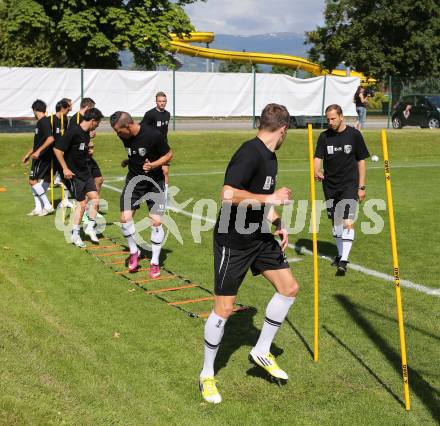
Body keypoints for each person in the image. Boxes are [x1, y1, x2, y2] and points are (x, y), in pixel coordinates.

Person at [199, 103, 300, 404]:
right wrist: (271, 197)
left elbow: (259, 201)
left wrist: (277, 221)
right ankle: (206, 375)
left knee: (289, 288)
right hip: (233, 241)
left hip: (258, 236)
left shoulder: (271, 157)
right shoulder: (250, 152)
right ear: (283, 129)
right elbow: (228, 194)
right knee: (225, 309)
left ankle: (261, 350)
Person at [110, 111, 172, 278]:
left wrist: (154, 165)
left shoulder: (153, 135)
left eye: (118, 131)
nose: (117, 134)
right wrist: (129, 161)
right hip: (134, 182)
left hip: (154, 182)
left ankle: (155, 262)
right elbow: (136, 152)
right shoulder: (125, 136)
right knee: (124, 218)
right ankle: (134, 252)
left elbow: (168, 154)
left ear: (128, 126)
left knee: (156, 221)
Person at [314, 104, 370, 274]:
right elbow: (318, 157)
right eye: (328, 119)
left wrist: (361, 187)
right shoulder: (324, 137)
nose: (330, 122)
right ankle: (339, 255)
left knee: (347, 222)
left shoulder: (354, 135)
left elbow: (361, 161)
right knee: (336, 222)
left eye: (333, 118)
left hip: (349, 185)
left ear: (341, 116)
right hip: (330, 185)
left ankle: (344, 260)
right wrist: (317, 170)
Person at [54, 108, 104, 247]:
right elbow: (57, 149)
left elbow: (81, 149)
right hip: (73, 174)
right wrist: (64, 168)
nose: (98, 126)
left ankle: (89, 227)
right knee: (81, 204)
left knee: (95, 198)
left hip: (85, 172)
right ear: (92, 121)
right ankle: (75, 235)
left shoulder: (87, 133)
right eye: (98, 123)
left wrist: (89, 149)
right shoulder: (73, 131)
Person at [68, 97, 104, 217]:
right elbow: (73, 140)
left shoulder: (87, 120)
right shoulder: (76, 119)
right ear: (88, 107)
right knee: (85, 185)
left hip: (87, 155)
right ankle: (84, 210)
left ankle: (92, 208)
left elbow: (85, 136)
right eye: (92, 108)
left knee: (99, 180)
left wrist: (90, 137)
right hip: (79, 160)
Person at [22, 99, 55, 216]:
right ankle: (38, 208)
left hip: (42, 156)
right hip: (38, 155)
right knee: (38, 180)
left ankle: (47, 205)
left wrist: (38, 152)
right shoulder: (40, 123)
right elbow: (37, 143)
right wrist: (28, 154)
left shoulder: (44, 122)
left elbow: (50, 139)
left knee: (32, 181)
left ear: (35, 110)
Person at [141, 92, 171, 200]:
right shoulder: (150, 114)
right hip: (152, 148)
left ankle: (165, 195)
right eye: (160, 101)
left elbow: (165, 131)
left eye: (164, 101)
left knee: (165, 171)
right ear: (156, 102)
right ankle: (145, 191)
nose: (162, 103)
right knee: (150, 170)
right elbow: (142, 128)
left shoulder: (167, 114)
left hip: (163, 147)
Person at [50, 99, 73, 208]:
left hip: (62, 153)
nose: (70, 109)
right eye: (68, 107)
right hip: (52, 154)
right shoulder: (51, 120)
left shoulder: (65, 120)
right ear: (63, 108)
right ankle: (43, 203)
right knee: (47, 178)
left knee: (66, 176)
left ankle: (65, 200)